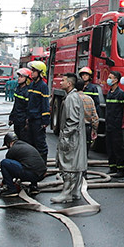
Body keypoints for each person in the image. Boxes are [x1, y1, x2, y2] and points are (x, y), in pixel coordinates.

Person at [52, 74, 88, 204]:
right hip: (75, 137)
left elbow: (72, 121)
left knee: (69, 165)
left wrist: (65, 137)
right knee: (75, 164)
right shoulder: (73, 97)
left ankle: (67, 193)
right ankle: (75, 192)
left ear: (69, 84)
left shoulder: (71, 99)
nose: (60, 82)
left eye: (63, 80)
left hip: (71, 138)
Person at [0, 133, 47, 197]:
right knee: (30, 165)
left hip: (32, 174)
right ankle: (33, 186)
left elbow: (8, 169)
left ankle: (12, 189)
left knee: (4, 163)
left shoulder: (12, 150)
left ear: (9, 143)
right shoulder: (25, 145)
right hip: (42, 174)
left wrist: (3, 183)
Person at [26, 60, 51, 161]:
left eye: (34, 71)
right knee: (31, 143)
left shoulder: (43, 86)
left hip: (38, 120)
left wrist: (45, 121)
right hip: (31, 119)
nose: (32, 73)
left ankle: (42, 166)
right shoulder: (31, 85)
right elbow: (29, 103)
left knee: (40, 143)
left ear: (40, 73)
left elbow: (45, 104)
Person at [103, 70, 124, 179]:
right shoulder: (109, 93)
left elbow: (123, 110)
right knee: (110, 147)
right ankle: (112, 167)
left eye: (110, 77)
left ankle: (120, 169)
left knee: (118, 147)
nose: (108, 79)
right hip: (109, 124)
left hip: (116, 126)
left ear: (116, 80)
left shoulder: (120, 94)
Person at [78, 66, 103, 147]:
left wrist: (95, 116)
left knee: (87, 138)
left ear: (89, 77)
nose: (84, 76)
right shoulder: (79, 87)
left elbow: (96, 103)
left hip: (88, 116)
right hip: (79, 114)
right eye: (83, 75)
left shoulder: (93, 88)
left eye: (86, 75)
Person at [9, 68, 32, 142]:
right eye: (19, 76)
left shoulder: (27, 91)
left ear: (27, 79)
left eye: (21, 77)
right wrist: (11, 117)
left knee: (23, 140)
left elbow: (28, 108)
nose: (19, 78)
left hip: (23, 120)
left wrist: (27, 122)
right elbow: (15, 105)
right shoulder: (18, 89)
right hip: (17, 119)